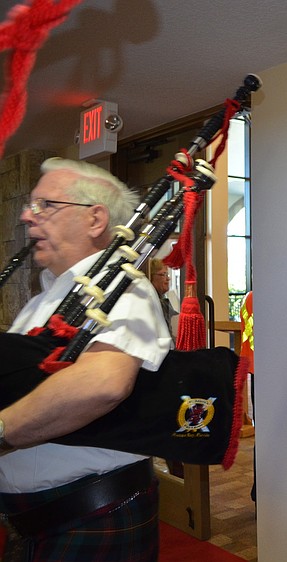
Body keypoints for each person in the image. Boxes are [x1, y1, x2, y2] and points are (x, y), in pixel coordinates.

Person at [0, 158, 172, 561]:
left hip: (91, 515)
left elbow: (103, 383)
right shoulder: (46, 300)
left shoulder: (121, 287)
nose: (27, 216)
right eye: (30, 205)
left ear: (95, 219)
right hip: (38, 523)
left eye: (45, 205)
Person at [146, 258, 177, 340]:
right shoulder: (150, 303)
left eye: (167, 274)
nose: (168, 279)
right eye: (164, 274)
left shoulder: (162, 300)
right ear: (151, 276)